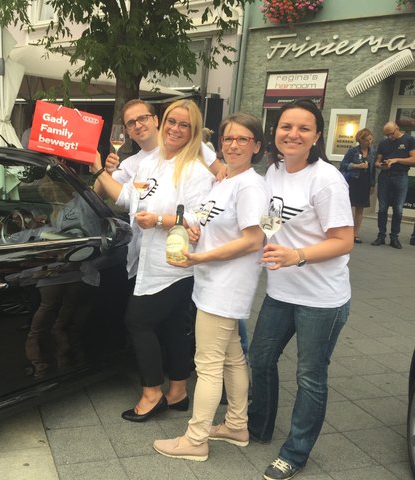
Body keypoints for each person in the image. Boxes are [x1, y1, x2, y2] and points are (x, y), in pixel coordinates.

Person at [247, 99, 354, 480]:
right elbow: (271, 223)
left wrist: (299, 255)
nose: (293, 134)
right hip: (281, 291)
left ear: (317, 136)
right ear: (274, 132)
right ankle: (258, 427)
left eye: (303, 128)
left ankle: (295, 451)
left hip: (322, 299)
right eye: (285, 126)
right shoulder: (274, 170)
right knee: (260, 359)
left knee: (310, 375)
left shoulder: (326, 179)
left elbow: (343, 240)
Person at [91, 99, 216, 422]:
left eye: (184, 125)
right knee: (174, 325)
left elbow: (199, 218)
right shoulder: (149, 163)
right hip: (147, 258)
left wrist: (160, 220)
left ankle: (151, 393)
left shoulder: (196, 170)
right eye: (172, 122)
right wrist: (96, 170)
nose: (175, 129)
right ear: (164, 122)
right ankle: (178, 390)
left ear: (193, 131)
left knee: (138, 321)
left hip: (173, 263)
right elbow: (126, 198)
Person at [153, 112, 267, 462]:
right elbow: (209, 222)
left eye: (242, 139)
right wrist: (195, 231)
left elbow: (254, 239)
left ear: (256, 146)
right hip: (211, 283)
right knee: (232, 358)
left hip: (226, 285)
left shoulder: (249, 185)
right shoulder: (225, 180)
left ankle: (196, 438)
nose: (233, 144)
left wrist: (202, 258)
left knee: (207, 364)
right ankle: (236, 424)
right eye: (228, 138)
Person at [371, 122, 415, 249]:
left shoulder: (409, 140)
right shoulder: (383, 143)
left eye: (391, 133)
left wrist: (396, 160)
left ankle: (394, 237)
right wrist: (379, 164)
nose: (389, 136)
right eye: (387, 134)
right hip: (385, 176)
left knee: (398, 208)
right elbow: (377, 161)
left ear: (397, 129)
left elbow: (413, 159)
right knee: (382, 207)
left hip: (401, 175)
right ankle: (381, 235)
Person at [339, 128, 376, 244]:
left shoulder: (373, 152)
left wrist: (372, 184)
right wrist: (356, 166)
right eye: (366, 140)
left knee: (360, 209)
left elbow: (373, 169)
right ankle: (344, 232)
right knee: (347, 207)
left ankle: (355, 233)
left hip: (365, 182)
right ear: (361, 140)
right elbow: (343, 165)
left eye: (370, 139)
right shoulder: (353, 151)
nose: (369, 142)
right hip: (353, 181)